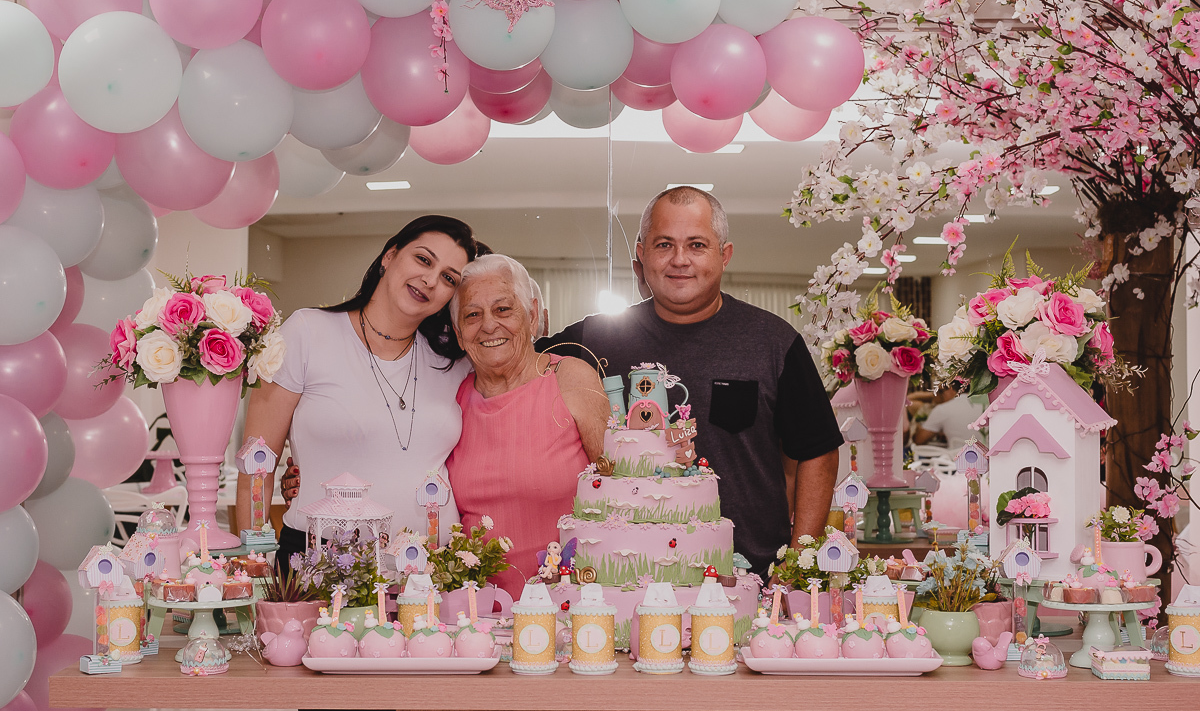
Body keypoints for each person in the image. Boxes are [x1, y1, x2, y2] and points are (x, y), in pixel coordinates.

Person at [537, 186, 843, 581]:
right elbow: (513, 371)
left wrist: (799, 559)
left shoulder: (772, 341)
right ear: (642, 254)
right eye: (664, 245)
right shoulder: (595, 338)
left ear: (724, 255)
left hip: (749, 580)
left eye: (697, 245)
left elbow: (818, 450)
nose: (680, 260)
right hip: (617, 582)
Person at [236, 215, 479, 574]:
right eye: (423, 260)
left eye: (448, 278)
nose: (430, 280)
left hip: (430, 570)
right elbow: (255, 468)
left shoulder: (456, 363)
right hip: (320, 565)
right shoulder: (308, 333)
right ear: (389, 255)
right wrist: (252, 570)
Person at [445, 254, 608, 597]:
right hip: (478, 613)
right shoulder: (451, 401)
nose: (489, 325)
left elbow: (618, 486)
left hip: (571, 604)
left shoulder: (569, 378)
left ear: (532, 315)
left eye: (503, 310)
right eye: (473, 315)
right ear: (460, 334)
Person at [913, 385, 981, 451]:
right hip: (986, 457)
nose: (937, 396)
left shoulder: (943, 409)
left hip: (954, 459)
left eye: (940, 391)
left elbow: (919, 440)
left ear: (950, 388)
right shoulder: (984, 404)